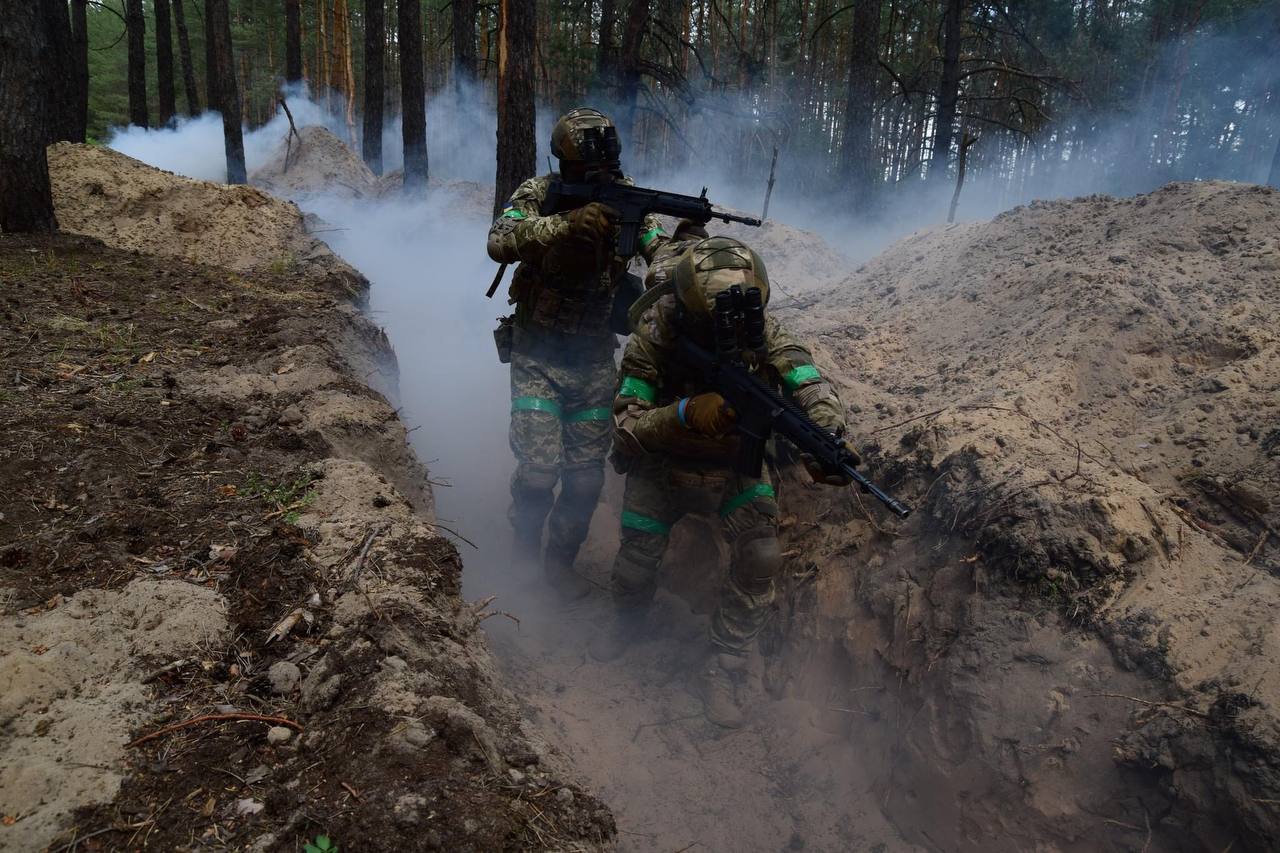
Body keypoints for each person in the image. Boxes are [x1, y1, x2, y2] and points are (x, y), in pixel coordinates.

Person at [589, 236, 852, 728]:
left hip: (735, 464)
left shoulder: (766, 331)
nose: (725, 328)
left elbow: (810, 383)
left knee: (761, 555)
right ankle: (626, 623)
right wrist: (686, 413)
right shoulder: (657, 327)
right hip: (662, 461)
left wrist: (827, 435)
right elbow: (627, 423)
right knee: (635, 563)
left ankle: (725, 663)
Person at [486, 108, 669, 599]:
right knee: (539, 472)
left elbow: (660, 251)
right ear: (565, 166)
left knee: (586, 482)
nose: (599, 180)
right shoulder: (541, 193)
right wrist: (565, 225)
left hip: (592, 359)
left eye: (605, 171)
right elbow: (500, 240)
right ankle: (524, 554)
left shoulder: (630, 200)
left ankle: (558, 567)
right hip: (536, 357)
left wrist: (681, 264)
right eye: (587, 173)